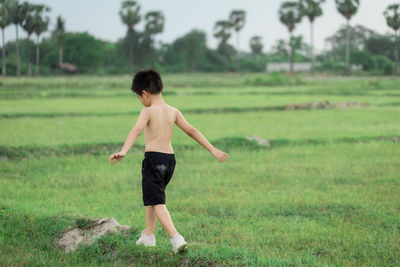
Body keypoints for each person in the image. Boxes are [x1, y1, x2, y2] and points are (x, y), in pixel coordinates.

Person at [108, 69, 230, 254]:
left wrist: (124, 150)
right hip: (169, 161)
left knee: (157, 201)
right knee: (152, 198)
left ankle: (176, 238)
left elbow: (136, 130)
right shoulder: (173, 111)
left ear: (145, 93)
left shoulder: (147, 111)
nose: (140, 101)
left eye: (139, 97)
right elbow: (192, 130)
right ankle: (148, 236)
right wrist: (212, 149)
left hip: (153, 160)